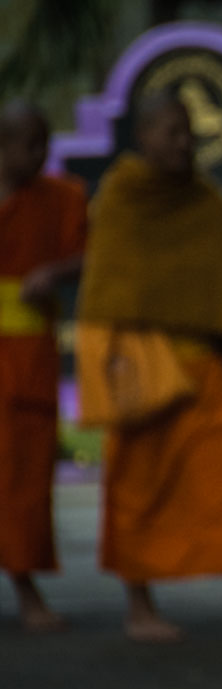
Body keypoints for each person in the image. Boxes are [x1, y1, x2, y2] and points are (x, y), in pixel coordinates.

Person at [75, 93, 222, 642]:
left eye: (188, 131)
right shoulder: (122, 198)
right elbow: (104, 294)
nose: (183, 142)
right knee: (135, 493)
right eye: (171, 131)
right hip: (144, 374)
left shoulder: (204, 199)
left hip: (202, 372)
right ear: (143, 137)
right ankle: (139, 609)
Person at [0, 100, 87, 631]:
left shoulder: (62, 197)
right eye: (25, 143)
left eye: (42, 144)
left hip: (28, 356)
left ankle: (27, 590)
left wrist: (51, 272)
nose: (37, 155)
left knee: (24, 479)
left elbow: (90, 253)